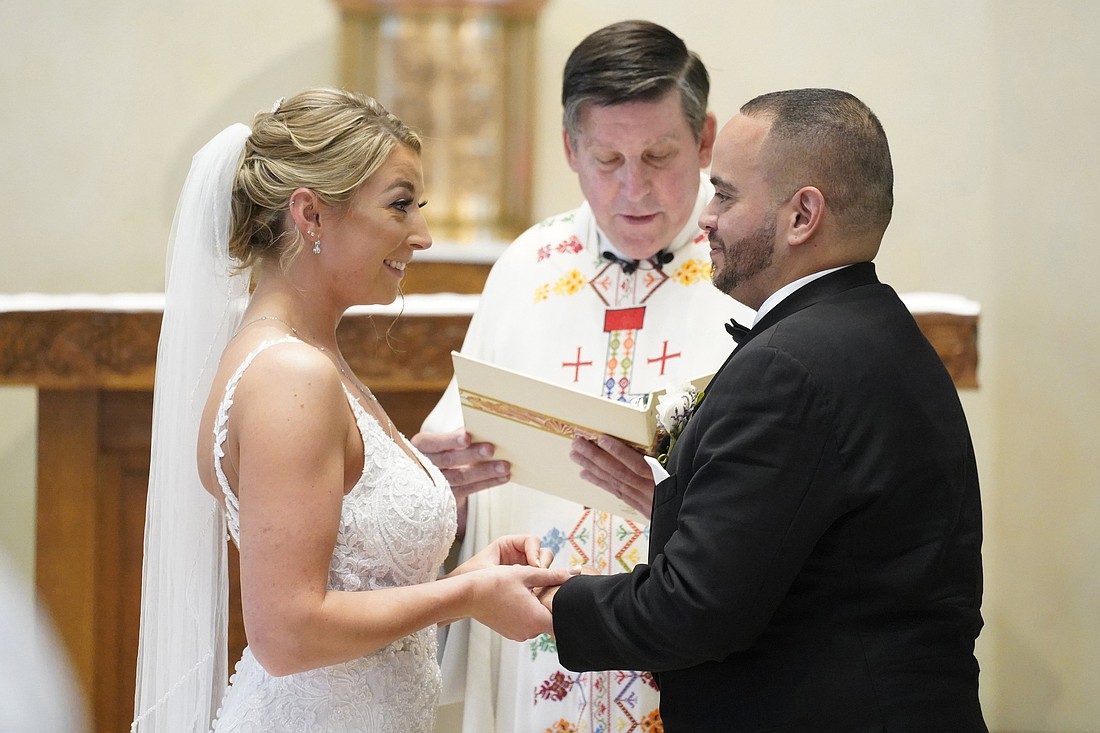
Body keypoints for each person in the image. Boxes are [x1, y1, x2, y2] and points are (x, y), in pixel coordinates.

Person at [541, 88, 988, 731]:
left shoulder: (790, 366)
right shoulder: (878, 326)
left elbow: (695, 610)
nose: (706, 219)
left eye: (723, 194)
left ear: (802, 215)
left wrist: (547, 604)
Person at [129, 88, 571, 733]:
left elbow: (349, 581)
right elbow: (287, 633)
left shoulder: (310, 356)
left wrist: (466, 577)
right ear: (310, 215)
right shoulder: (290, 375)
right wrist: (466, 596)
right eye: (399, 206)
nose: (420, 236)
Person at [413, 20, 754, 733]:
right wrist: (436, 476)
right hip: (541, 650)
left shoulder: (749, 268)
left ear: (706, 138)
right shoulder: (527, 266)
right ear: (569, 148)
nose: (635, 187)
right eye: (606, 158)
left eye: (659, 154)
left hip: (694, 646)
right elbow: (459, 445)